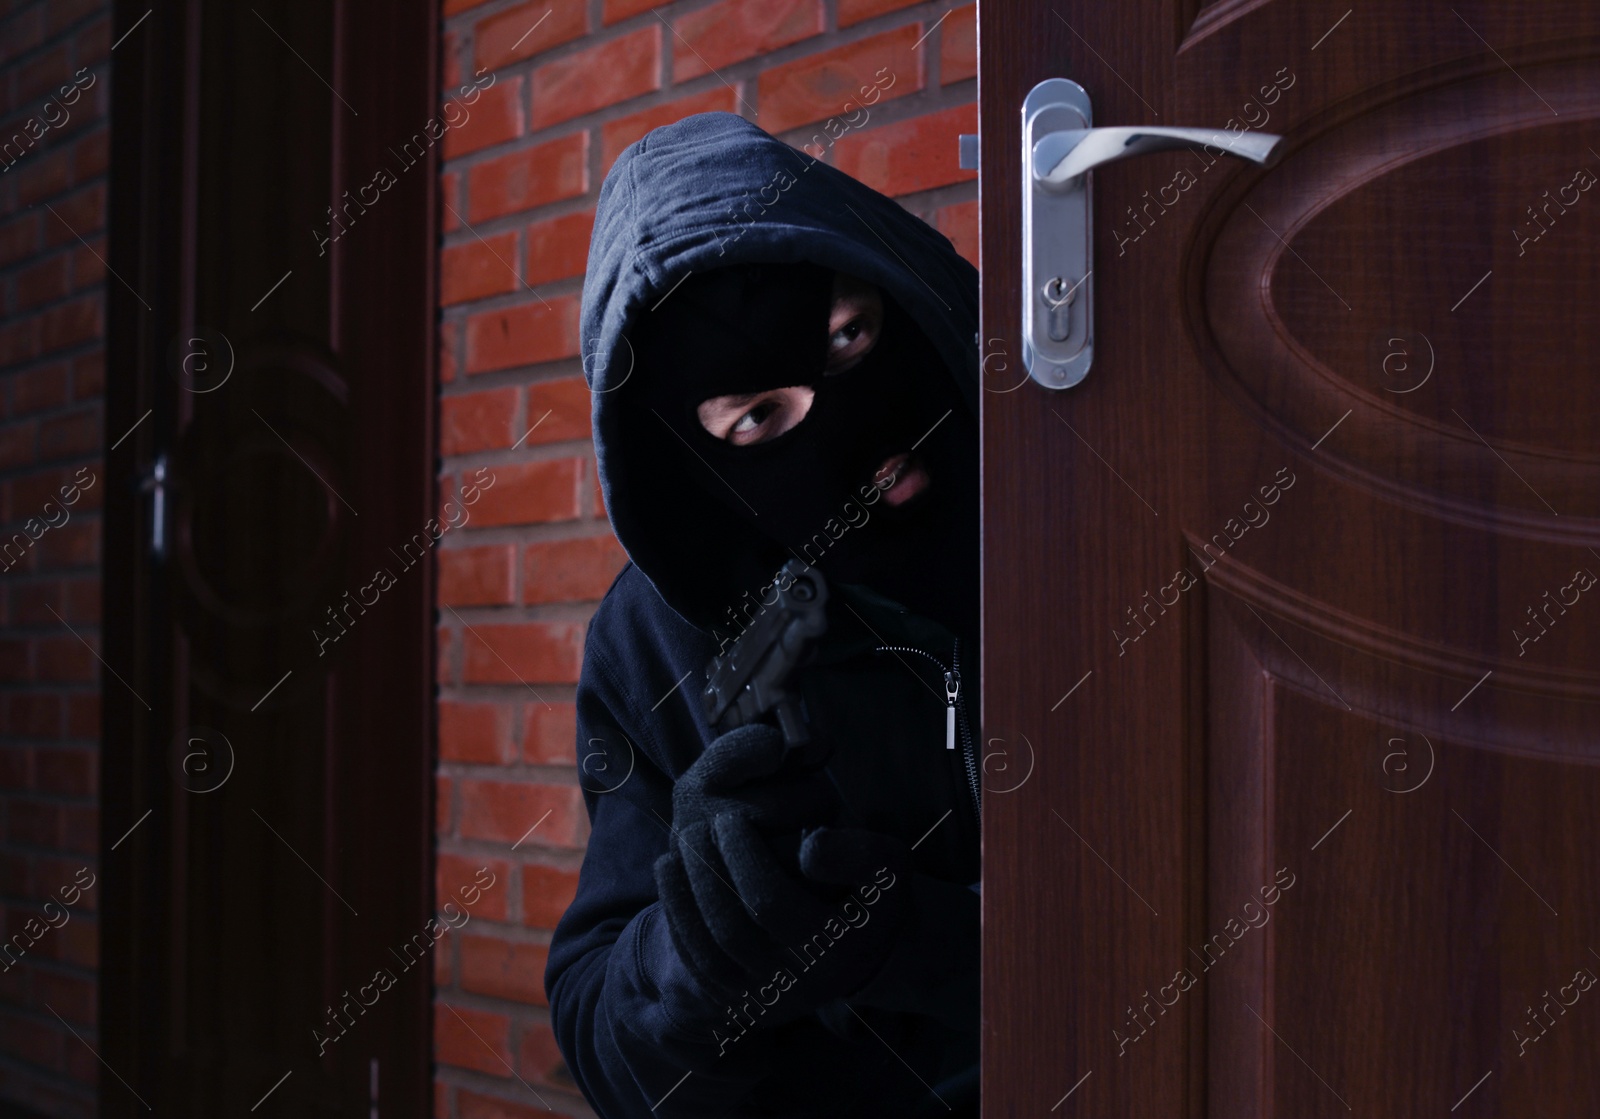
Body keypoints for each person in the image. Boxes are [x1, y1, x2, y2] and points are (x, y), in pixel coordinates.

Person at [544, 111, 981, 1118]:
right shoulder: (659, 640)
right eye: (757, 417)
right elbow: (602, 1037)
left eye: (847, 339)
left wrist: (927, 949)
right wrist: (696, 962)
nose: (853, 441)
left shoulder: (1104, 519)